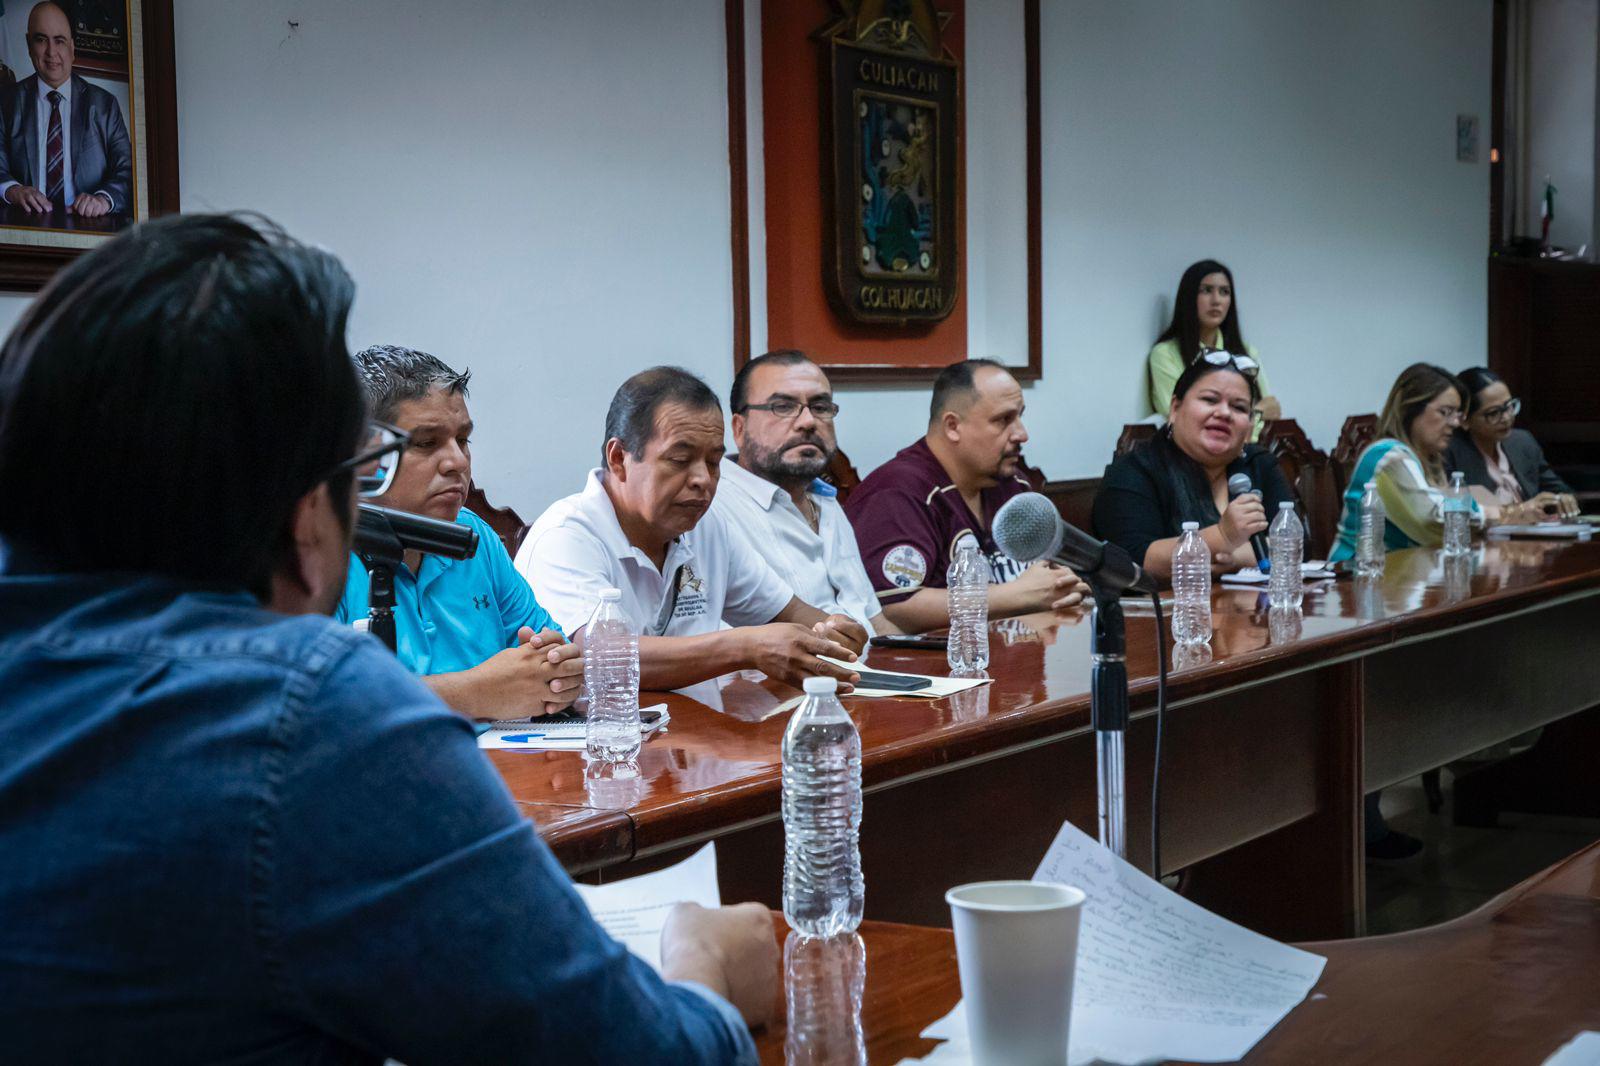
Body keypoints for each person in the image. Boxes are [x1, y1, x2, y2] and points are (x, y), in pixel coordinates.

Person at [0, 214, 774, 1062]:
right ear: (311, 512)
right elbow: (643, 1054)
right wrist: (703, 964)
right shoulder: (306, 715)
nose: (454, 466)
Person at [515, 366, 868, 692]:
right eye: (680, 460)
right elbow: (601, 658)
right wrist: (746, 646)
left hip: (696, 740)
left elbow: (790, 614)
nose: (703, 480)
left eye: (714, 462)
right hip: (595, 749)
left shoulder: (706, 526)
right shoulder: (565, 536)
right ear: (619, 458)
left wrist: (832, 632)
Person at [334, 345, 583, 721]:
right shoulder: (321, 552)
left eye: (462, 440)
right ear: (369, 456)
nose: (456, 463)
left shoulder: (473, 534)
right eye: (426, 443)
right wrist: (478, 692)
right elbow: (316, 703)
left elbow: (554, 651)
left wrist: (559, 669)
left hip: (505, 765)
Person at [845, 358, 1088, 633]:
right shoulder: (897, 491)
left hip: (1017, 657)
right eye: (1003, 420)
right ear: (952, 426)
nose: (1022, 434)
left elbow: (1044, 578)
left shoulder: (1012, 483)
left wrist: (1062, 587)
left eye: (1020, 416)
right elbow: (897, 606)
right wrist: (1020, 595)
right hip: (938, 669)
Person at [712, 349, 897, 636]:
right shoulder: (712, 506)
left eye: (820, 407)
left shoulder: (826, 500)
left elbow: (875, 624)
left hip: (865, 674)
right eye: (783, 407)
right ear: (739, 428)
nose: (808, 421)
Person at [1330, 364, 1553, 563]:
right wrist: (1511, 512)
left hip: (1399, 577)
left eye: (1457, 414)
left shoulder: (1430, 459)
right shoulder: (1388, 456)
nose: (1455, 423)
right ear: (1410, 408)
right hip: (1355, 578)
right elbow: (1434, 518)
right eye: (1445, 412)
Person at [1096, 353, 1293, 578]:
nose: (1224, 413)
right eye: (1210, 400)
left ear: (1249, 426)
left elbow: (1293, 543)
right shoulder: (1134, 471)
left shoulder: (1260, 464)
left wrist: (1235, 559)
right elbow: (1132, 558)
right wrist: (1223, 537)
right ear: (1175, 408)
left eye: (1239, 407)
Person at [0, 2, 132, 218]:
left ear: (72, 48)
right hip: (24, 227)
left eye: (59, 41)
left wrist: (103, 199)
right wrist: (13, 190)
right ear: (28, 44)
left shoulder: (105, 105)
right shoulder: (6, 103)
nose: (51, 52)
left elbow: (127, 171)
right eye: (41, 40)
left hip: (89, 229)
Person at [1147, 259, 1282, 439]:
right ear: (1189, 297)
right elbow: (1183, 419)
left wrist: (1247, 422)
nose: (1216, 300)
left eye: (1224, 292)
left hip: (1249, 456)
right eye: (1206, 290)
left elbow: (1272, 410)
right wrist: (1254, 415)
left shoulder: (1247, 353)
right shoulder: (1165, 354)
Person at [1445, 367, 1578, 519]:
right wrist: (1522, 509)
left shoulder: (1522, 442)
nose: (1507, 417)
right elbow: (1462, 513)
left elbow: (1559, 490)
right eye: (1494, 413)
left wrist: (1563, 500)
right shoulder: (1451, 452)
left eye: (1509, 406)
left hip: (1535, 536)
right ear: (1465, 420)